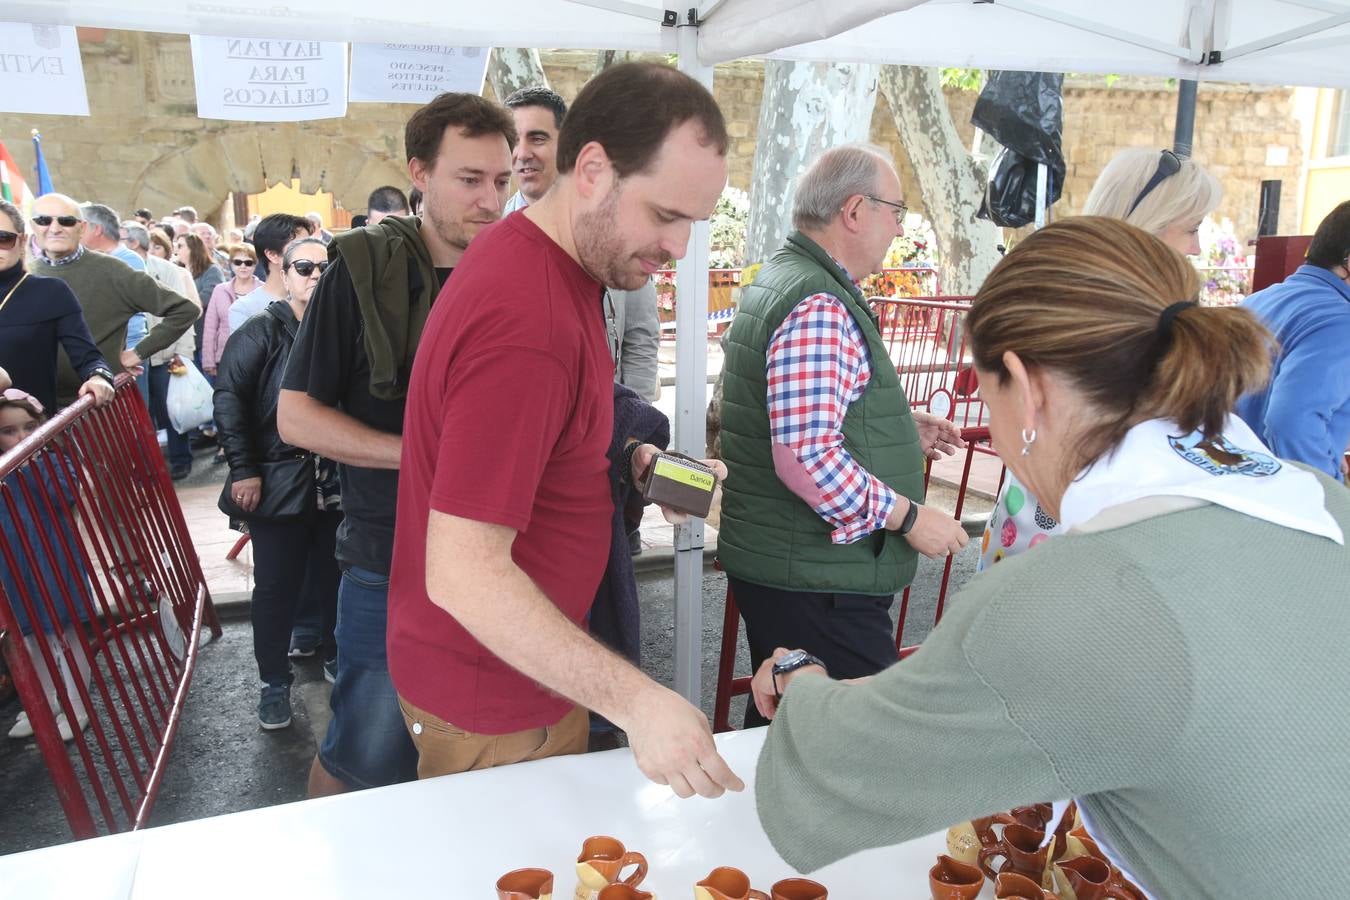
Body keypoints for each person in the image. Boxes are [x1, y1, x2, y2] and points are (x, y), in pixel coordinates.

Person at [752, 216, 1350, 898]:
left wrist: (797, 677)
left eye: (986, 391)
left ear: (1024, 383)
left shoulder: (1077, 592)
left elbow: (840, 772)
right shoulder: (1325, 501)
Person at [385, 62, 741, 797]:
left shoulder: (554, 263)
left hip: (519, 675)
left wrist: (640, 462)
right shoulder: (529, 319)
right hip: (498, 696)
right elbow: (463, 572)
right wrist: (640, 702)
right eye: (666, 215)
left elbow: (555, 431)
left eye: (692, 224)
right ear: (592, 169)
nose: (679, 248)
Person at [278, 91, 515, 796]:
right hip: (390, 559)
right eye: (469, 180)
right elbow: (296, 417)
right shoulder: (358, 271)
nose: (490, 200)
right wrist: (418, 453)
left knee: (483, 748)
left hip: (502, 556)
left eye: (501, 181)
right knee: (367, 754)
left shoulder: (516, 270)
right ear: (420, 172)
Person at [716, 144, 967, 727]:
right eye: (896, 211)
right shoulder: (819, 301)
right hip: (818, 579)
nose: (900, 228)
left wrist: (899, 432)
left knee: (791, 720)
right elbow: (806, 456)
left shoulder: (792, 280)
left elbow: (804, 420)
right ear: (855, 210)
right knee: (849, 736)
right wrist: (909, 517)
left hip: (802, 570)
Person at [978, 146, 1226, 571]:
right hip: (1078, 528)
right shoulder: (1114, 307)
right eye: (1192, 228)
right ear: (1152, 220)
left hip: (1040, 518)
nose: (1197, 247)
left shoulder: (1063, 280)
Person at [215, 238, 342, 730]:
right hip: (276, 478)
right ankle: (274, 683)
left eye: (324, 268)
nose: (315, 275)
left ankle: (335, 657)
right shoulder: (259, 331)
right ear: (284, 274)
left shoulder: (344, 328)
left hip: (334, 478)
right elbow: (229, 400)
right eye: (304, 267)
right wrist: (244, 468)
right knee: (274, 587)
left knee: (336, 577)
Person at [27, 193, 196, 408]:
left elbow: (184, 309)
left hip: (100, 408)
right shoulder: (25, 273)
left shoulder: (112, 271)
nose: (54, 228)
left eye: (66, 221)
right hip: (37, 409)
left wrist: (138, 352)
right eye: (44, 220)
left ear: (82, 227)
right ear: (33, 226)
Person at [1236, 200, 1350, 481]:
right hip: (1279, 499)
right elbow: (1291, 422)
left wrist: (1325, 454)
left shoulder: (1258, 300)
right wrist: (1324, 488)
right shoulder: (1341, 321)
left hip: (1228, 481)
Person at [0, 200, 114, 412]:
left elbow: (88, 357)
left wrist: (98, 376)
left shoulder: (51, 292)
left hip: (29, 433)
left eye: (3, 239)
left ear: (23, 240)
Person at [229, 213, 311, 331]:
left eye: (311, 244)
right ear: (272, 255)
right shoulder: (245, 309)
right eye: (299, 247)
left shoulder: (318, 299)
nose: (310, 253)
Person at [202, 243, 258, 378]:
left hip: (257, 357)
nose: (243, 266)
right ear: (231, 264)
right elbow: (210, 327)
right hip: (225, 356)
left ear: (255, 265)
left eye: (248, 262)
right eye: (238, 262)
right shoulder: (220, 290)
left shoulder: (264, 290)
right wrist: (209, 361)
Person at [175, 232, 225, 366]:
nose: (176, 250)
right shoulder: (178, 270)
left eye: (180, 246)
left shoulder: (211, 270)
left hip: (205, 337)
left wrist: (179, 306)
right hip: (186, 337)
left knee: (206, 384)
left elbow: (208, 296)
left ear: (193, 248)